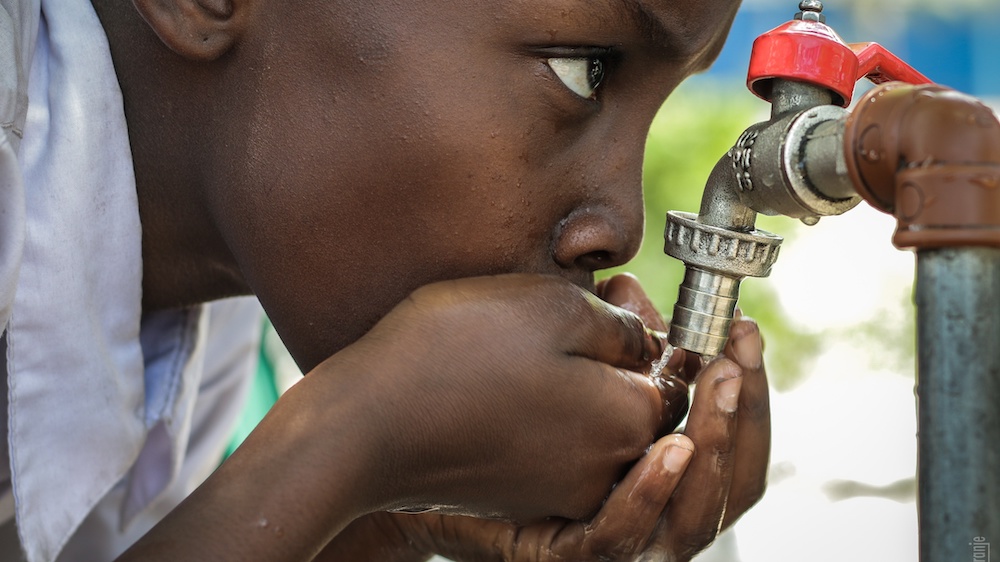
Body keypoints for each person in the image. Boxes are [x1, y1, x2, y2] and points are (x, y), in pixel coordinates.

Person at [0, 0, 771, 560]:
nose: (621, 227)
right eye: (583, 70)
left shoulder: (212, 309)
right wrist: (349, 439)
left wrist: (385, 515)